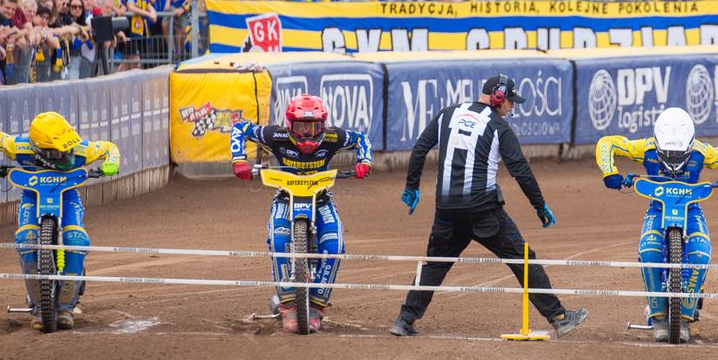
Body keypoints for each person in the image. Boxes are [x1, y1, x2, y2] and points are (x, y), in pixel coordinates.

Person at [389, 74, 588, 339]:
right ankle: (559, 317)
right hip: (484, 211)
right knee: (522, 258)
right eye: (511, 101)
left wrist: (412, 186)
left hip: (447, 209)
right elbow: (521, 171)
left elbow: (420, 149)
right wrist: (540, 206)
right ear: (498, 96)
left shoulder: (448, 113)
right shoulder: (498, 127)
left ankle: (405, 319)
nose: (512, 107)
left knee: (435, 264)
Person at [595, 107, 718, 343]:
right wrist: (609, 172)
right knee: (648, 250)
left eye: (679, 154)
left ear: (691, 145)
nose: (673, 159)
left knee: (701, 255)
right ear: (658, 143)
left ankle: (684, 318)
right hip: (658, 207)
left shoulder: (703, 152)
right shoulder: (646, 147)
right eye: (668, 153)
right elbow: (607, 143)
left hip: (691, 208)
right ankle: (658, 316)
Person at [230, 94, 373, 334]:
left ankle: (316, 307)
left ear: (323, 125)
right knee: (278, 239)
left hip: (322, 197)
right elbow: (240, 128)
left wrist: (365, 161)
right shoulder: (275, 135)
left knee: (335, 244)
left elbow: (361, 139)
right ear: (289, 124)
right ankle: (288, 306)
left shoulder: (333, 137)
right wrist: (238, 160)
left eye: (313, 126)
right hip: (285, 196)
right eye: (301, 127)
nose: (307, 133)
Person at [0, 111, 121, 330]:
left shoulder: (81, 149)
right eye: (58, 153)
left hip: (67, 196)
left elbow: (109, 148)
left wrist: (110, 164)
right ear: (38, 149)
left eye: (68, 149)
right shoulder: (21, 147)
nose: (67, 156)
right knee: (26, 240)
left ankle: (66, 306)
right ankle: (37, 306)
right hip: (33, 196)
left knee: (76, 241)